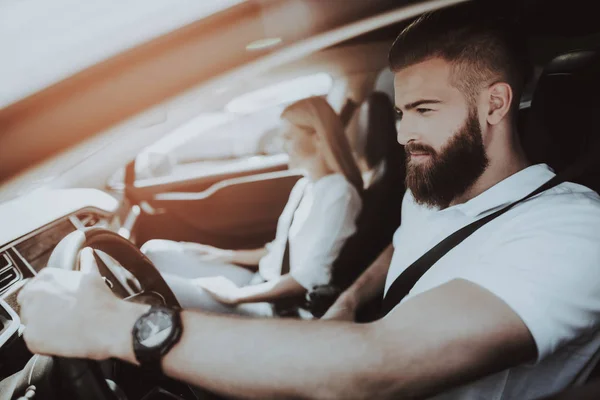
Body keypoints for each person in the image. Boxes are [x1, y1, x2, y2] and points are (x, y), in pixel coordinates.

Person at [16, 9, 600, 399]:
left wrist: (117, 326)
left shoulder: (575, 232)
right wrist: (347, 301)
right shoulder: (441, 187)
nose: (400, 135)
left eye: (423, 111)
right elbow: (407, 241)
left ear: (496, 104)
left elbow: (378, 365)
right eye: (399, 113)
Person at [140, 96, 363, 317]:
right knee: (154, 252)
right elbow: (279, 249)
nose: (282, 145)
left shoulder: (340, 194)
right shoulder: (305, 185)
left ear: (317, 137)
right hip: (259, 281)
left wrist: (237, 296)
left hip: (278, 307)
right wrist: (225, 255)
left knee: (150, 287)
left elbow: (311, 275)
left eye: (289, 136)